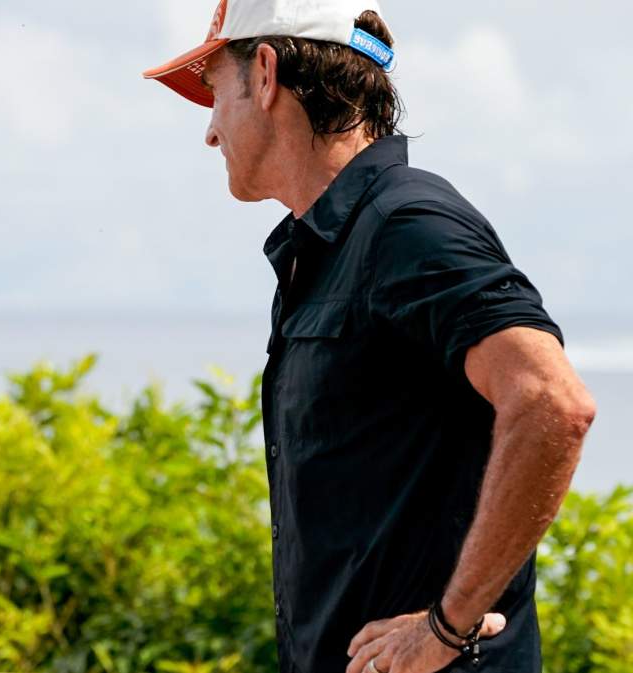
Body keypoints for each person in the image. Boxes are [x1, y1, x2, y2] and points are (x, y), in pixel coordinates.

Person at [143, 2, 595, 672]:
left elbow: (552, 401)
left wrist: (447, 627)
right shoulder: (328, 248)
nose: (210, 131)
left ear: (264, 74)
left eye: (214, 92)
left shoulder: (407, 225)